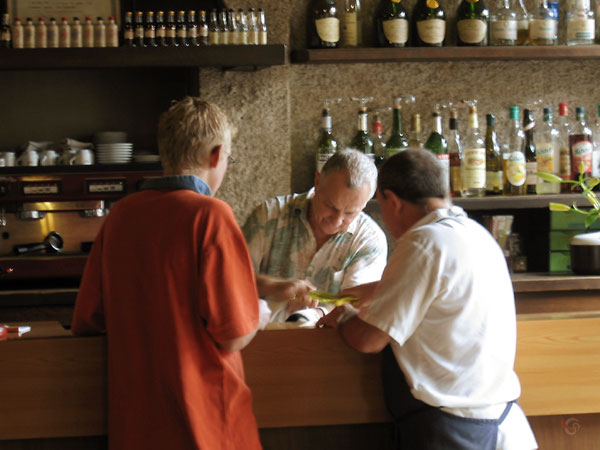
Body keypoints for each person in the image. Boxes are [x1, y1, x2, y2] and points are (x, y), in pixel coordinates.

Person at [72, 97, 268, 450]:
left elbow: (89, 319)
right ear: (216, 154)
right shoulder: (211, 215)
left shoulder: (121, 215)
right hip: (205, 423)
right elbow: (233, 335)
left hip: (136, 424)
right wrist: (261, 313)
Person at [318, 148, 538, 449]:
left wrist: (342, 318)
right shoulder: (476, 235)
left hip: (450, 428)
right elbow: (442, 292)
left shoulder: (422, 242)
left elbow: (368, 340)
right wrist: (377, 292)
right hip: (502, 422)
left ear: (392, 201)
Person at [242, 148, 388, 323]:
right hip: (260, 340)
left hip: (330, 345)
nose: (336, 221)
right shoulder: (269, 215)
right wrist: (273, 286)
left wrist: (316, 314)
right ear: (317, 181)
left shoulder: (370, 240)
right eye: (330, 206)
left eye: (350, 213)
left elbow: (355, 306)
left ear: (364, 205)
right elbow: (230, 279)